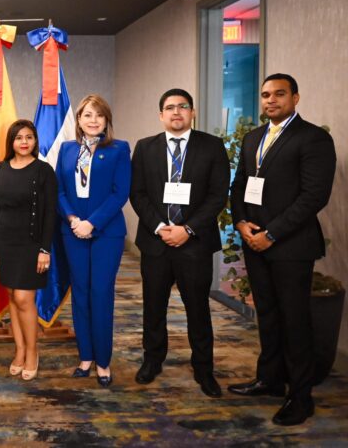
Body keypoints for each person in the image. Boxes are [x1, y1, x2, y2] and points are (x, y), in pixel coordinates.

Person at [228, 74, 336, 426]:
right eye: (265, 95)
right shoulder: (253, 138)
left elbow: (313, 196)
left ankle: (300, 397)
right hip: (254, 240)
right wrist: (242, 223)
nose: (270, 100)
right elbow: (241, 183)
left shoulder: (314, 138)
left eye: (279, 94)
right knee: (269, 315)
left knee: (295, 321)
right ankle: (270, 379)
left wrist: (272, 234)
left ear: (295, 97)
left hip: (290, 245)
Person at [130, 88, 229, 398]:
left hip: (194, 243)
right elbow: (138, 194)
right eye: (170, 107)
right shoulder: (145, 148)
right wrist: (161, 227)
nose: (176, 112)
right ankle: (153, 360)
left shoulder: (212, 147)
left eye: (183, 107)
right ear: (161, 115)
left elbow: (217, 195)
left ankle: (204, 369)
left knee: (198, 308)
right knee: (153, 307)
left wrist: (187, 228)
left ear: (192, 112)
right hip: (156, 242)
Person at [55, 94, 130, 386]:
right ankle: (85, 356)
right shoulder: (66, 149)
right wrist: (73, 219)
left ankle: (103, 361)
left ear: (106, 120)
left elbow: (119, 193)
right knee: (81, 293)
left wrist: (91, 223)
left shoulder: (119, 149)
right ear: (79, 120)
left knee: (101, 293)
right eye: (88, 115)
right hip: (72, 231)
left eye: (99, 115)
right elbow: (60, 190)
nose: (93, 120)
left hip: (106, 233)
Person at [0, 119, 57, 381]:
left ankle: (32, 352)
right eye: (19, 137)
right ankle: (19, 349)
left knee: (25, 299)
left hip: (31, 244)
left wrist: (45, 250)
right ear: (11, 142)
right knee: (14, 299)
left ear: (35, 141)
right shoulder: (1, 168)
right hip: (5, 243)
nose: (24, 142)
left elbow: (50, 214)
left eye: (29, 137)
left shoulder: (44, 171)